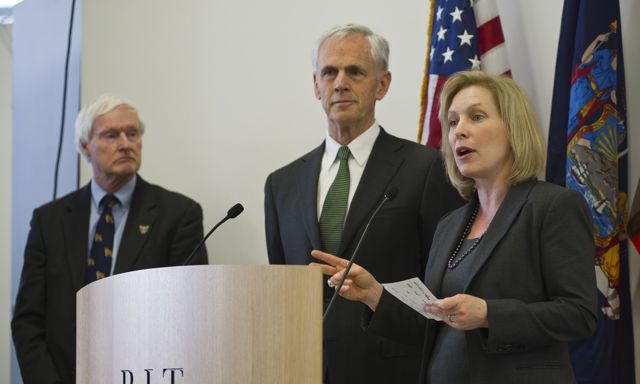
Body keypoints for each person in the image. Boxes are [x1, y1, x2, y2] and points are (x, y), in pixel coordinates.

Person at [312, 71, 598, 383]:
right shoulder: (450, 225)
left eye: (476, 117)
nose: (459, 131)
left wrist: (489, 314)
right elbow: (434, 326)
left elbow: (578, 314)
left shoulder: (552, 207)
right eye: (452, 122)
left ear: (513, 129)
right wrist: (376, 295)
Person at [264, 24, 463, 383]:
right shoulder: (282, 184)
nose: (340, 83)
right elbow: (284, 290)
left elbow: (443, 281)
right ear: (316, 85)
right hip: (306, 368)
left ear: (382, 85)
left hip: (393, 366)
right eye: (329, 72)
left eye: (355, 71)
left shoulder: (425, 168)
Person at [11, 94, 208, 384]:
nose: (126, 144)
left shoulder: (178, 215)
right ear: (84, 147)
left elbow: (189, 315)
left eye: (132, 133)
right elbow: (28, 318)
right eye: (111, 135)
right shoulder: (49, 220)